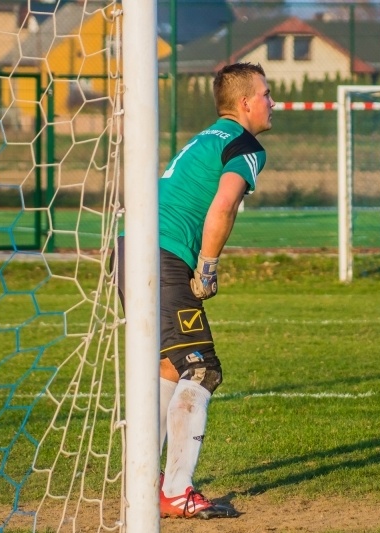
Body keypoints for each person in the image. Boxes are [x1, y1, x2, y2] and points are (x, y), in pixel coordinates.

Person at [115, 62, 274, 519]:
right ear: (245, 103)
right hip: (160, 256)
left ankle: (144, 481)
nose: (272, 103)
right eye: (265, 94)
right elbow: (222, 206)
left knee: (170, 366)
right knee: (202, 370)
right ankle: (174, 490)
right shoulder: (245, 146)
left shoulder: (205, 138)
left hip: (130, 248)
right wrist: (207, 267)